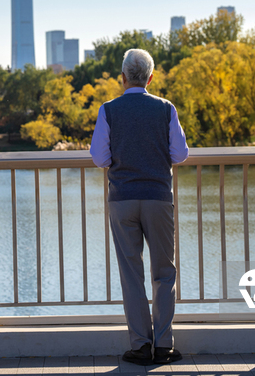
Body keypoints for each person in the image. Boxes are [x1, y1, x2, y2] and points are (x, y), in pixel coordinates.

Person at [90, 49, 189, 366]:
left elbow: (99, 159)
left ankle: (140, 345)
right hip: (158, 198)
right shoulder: (165, 109)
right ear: (150, 78)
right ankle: (164, 345)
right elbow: (180, 153)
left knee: (131, 275)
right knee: (164, 272)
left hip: (122, 199)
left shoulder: (109, 110)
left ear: (122, 78)